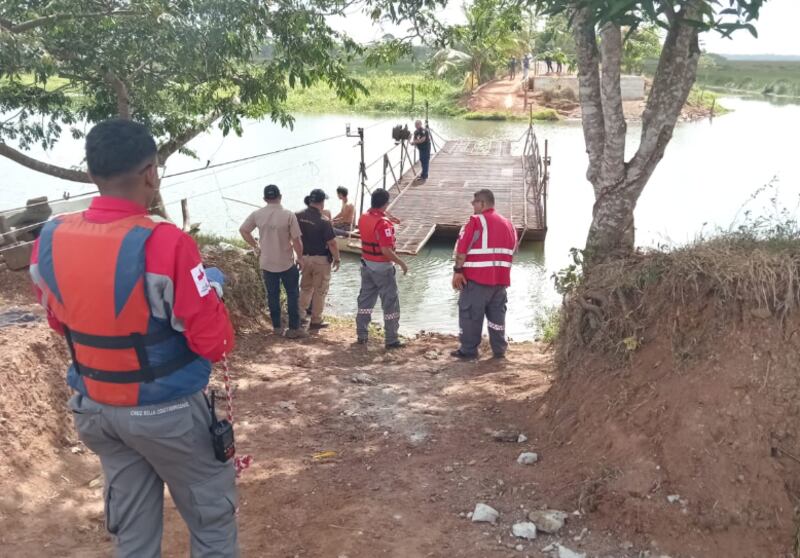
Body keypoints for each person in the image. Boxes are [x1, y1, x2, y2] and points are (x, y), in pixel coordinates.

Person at [28, 119, 239, 557]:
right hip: (169, 415)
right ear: (151, 173)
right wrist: (210, 290)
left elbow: (60, 320)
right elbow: (214, 343)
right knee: (211, 521)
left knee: (133, 534)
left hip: (96, 412)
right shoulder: (167, 243)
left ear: (92, 175)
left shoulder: (50, 237)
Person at [451, 188, 517, 360]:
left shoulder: (476, 221)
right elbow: (513, 251)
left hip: (477, 280)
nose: (472, 205)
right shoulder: (508, 224)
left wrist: (458, 271)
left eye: (474, 202)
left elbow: (462, 249)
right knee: (497, 318)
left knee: (470, 316)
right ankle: (499, 350)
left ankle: (468, 351)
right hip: (500, 281)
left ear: (483, 203)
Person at [239, 184, 306, 339]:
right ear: (280, 196)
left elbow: (243, 230)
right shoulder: (289, 215)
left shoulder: (257, 214)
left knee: (272, 295)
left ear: (264, 199)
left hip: (267, 262)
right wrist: (300, 258)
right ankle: (294, 328)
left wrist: (255, 245)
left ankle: (276, 327)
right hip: (287, 262)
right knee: (292, 294)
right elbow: (297, 241)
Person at [356, 188, 408, 349]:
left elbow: (377, 214)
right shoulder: (383, 224)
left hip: (366, 264)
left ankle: (362, 334)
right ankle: (392, 339)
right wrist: (402, 263)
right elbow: (386, 250)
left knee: (365, 300)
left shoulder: (364, 217)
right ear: (386, 203)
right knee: (390, 304)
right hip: (382, 268)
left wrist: (388, 216)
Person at [296, 188, 341, 330]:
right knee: (320, 291)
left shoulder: (297, 216)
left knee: (305, 288)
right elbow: (332, 243)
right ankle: (316, 320)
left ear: (310, 200)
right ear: (322, 202)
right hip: (321, 260)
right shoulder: (324, 221)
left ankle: (300, 316)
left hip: (304, 258)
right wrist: (337, 258)